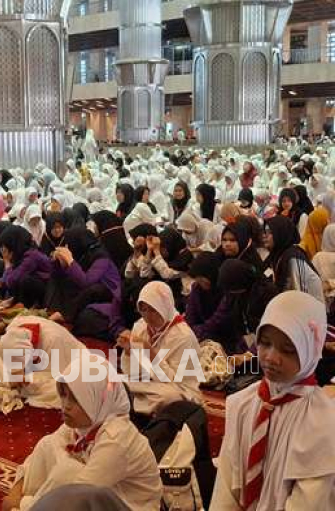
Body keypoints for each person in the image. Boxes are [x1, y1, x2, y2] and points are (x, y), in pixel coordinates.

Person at [211, 291, 335, 510]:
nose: (270, 357)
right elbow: (227, 481)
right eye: (265, 343)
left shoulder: (323, 423)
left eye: (288, 350)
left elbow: (308, 502)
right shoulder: (243, 403)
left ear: (310, 351)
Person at [3, 352, 161, 511]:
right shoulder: (86, 422)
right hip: (98, 498)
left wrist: (22, 504)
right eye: (63, 395)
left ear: (98, 398)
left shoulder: (117, 439)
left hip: (127, 506)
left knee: (67, 471)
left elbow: (77, 498)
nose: (65, 405)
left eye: (76, 399)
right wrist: (15, 495)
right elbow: (42, 454)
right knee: (47, 445)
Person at [118, 282, 202, 416]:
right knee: (114, 382)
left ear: (164, 307)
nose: (147, 316)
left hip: (179, 389)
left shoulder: (183, 336)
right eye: (143, 310)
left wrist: (150, 354)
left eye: (153, 310)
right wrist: (128, 352)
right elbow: (132, 373)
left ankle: (136, 406)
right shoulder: (140, 326)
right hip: (149, 385)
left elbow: (174, 382)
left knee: (169, 398)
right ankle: (139, 406)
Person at [264, 216, 324, 302]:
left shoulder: (293, 258)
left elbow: (300, 293)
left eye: (269, 232)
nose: (265, 236)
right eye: (265, 232)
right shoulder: (277, 253)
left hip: (310, 306)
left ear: (280, 233)